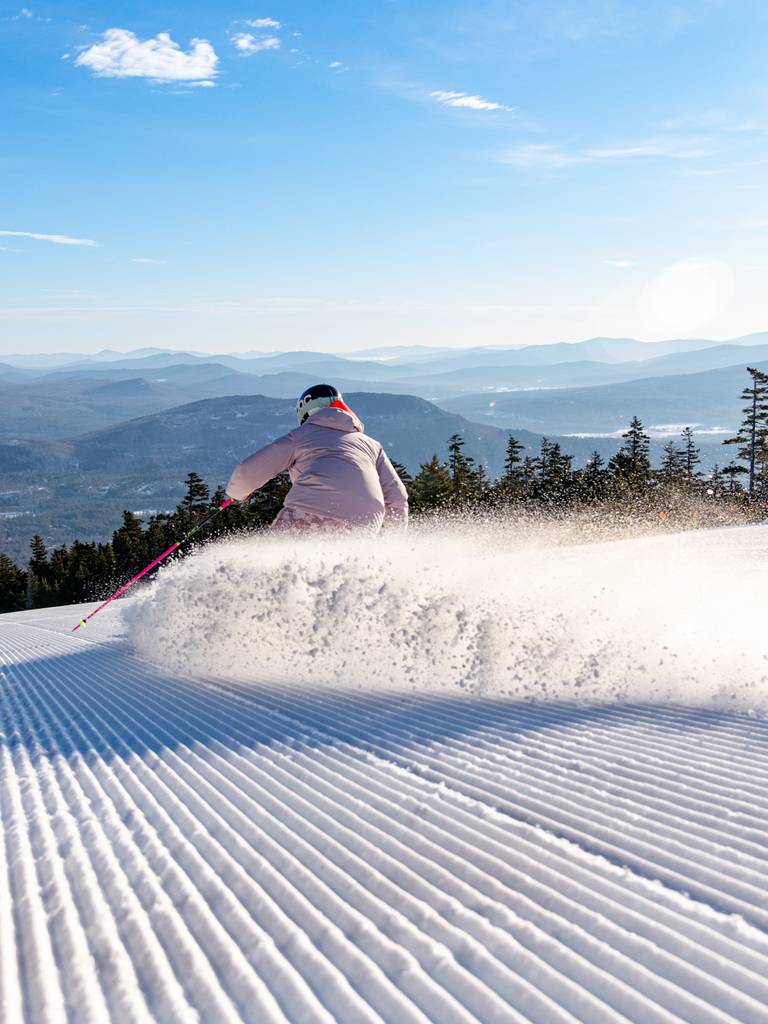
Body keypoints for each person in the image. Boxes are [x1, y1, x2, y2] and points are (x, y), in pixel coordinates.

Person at [226, 384, 409, 532]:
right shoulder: (372, 445)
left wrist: (237, 492)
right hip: (365, 523)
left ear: (304, 413)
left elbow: (247, 472)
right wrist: (393, 538)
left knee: (275, 563)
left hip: (310, 511)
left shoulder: (300, 437)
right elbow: (397, 497)